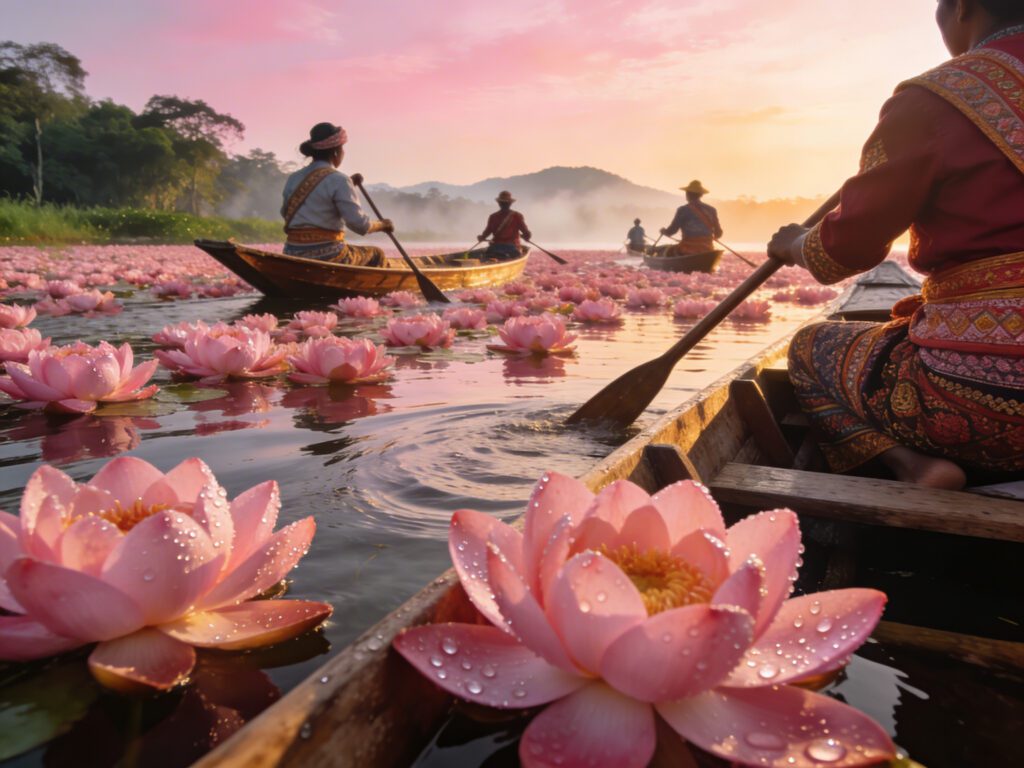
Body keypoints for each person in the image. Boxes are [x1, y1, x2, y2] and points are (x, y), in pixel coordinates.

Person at [768, 0, 1024, 490]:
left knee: (807, 347)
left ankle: (914, 465)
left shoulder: (936, 98)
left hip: (976, 408)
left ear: (963, 8)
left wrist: (796, 244)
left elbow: (843, 252)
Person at [280, 122, 393, 265]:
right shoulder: (339, 180)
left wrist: (350, 183)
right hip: (328, 254)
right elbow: (359, 225)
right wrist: (382, 225)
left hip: (291, 252)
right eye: (342, 149)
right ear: (335, 152)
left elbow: (286, 212)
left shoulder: (294, 178)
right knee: (377, 254)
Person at [661, 180, 723, 255]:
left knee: (669, 252)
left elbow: (672, 231)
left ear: (687, 194)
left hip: (687, 249)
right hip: (707, 248)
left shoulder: (683, 210)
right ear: (701, 195)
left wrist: (664, 231)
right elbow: (719, 234)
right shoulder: (712, 210)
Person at [478, 191, 531, 259]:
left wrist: (481, 237)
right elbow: (527, 233)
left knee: (487, 255)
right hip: (512, 248)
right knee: (516, 253)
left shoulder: (493, 216)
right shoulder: (517, 216)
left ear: (499, 203)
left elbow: (486, 233)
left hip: (495, 247)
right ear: (510, 203)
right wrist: (526, 237)